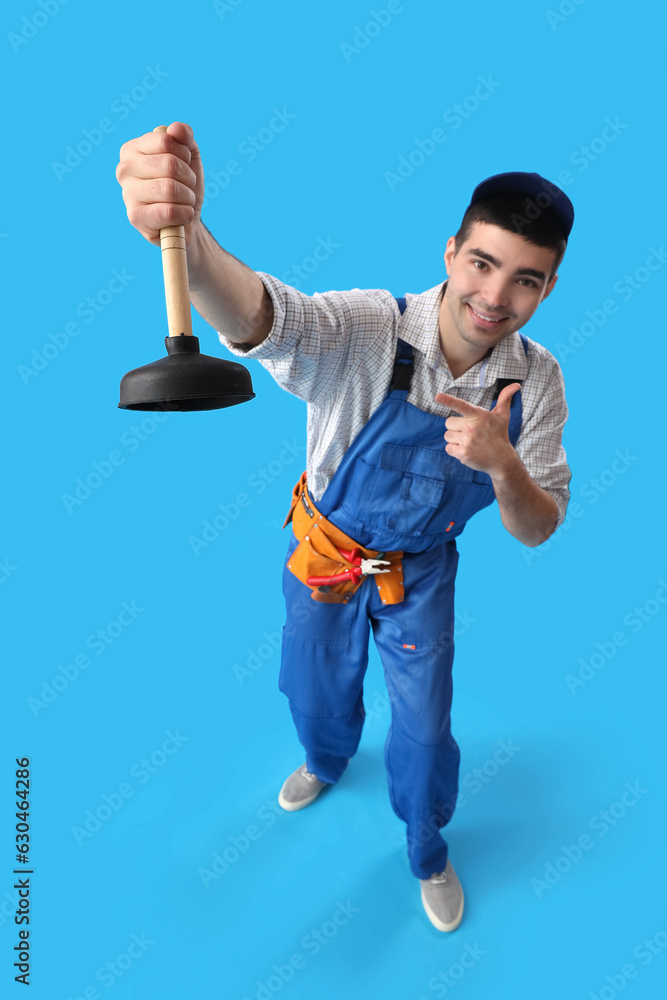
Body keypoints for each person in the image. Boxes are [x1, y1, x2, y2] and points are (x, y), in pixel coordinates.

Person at [116, 122, 573, 933]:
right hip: (325, 554)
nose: (496, 296)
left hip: (420, 574)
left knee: (427, 729)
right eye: (481, 263)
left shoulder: (536, 383)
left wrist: (503, 465)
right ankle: (325, 762)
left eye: (526, 280)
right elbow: (264, 317)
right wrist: (184, 230)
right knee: (312, 686)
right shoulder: (369, 328)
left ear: (547, 287)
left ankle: (426, 846)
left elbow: (539, 530)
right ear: (449, 252)